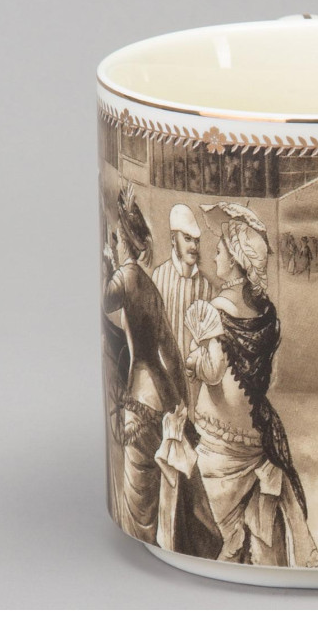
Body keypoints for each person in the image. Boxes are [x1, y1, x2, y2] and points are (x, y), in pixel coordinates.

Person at [185, 202, 318, 567]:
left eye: (220, 250)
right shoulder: (267, 314)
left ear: (234, 260)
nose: (214, 256)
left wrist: (193, 360)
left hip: (221, 445)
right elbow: (263, 376)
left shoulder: (217, 308)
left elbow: (213, 371)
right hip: (255, 438)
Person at [102, 186, 219, 556]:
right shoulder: (152, 283)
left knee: (140, 500)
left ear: (123, 240)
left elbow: (105, 301)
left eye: (116, 237)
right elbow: (169, 349)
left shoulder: (127, 276)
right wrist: (181, 404)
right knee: (161, 488)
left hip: (141, 402)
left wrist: (108, 265)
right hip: (164, 399)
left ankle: (154, 545)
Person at [152, 204, 213, 361]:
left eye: (196, 241)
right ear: (173, 239)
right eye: (187, 239)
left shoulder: (205, 286)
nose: (193, 246)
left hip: (193, 370)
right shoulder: (158, 276)